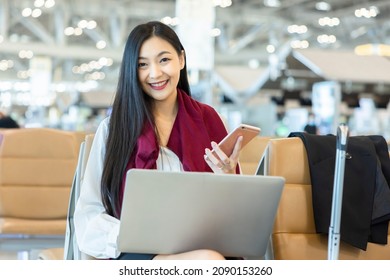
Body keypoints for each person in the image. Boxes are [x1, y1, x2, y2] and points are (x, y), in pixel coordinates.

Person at [74, 21, 243, 260]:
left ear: (181, 60)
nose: (155, 73)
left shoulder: (210, 120)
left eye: (164, 60)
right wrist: (134, 234)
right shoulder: (114, 130)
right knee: (208, 261)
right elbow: (89, 213)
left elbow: (234, 214)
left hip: (201, 241)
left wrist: (228, 179)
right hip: (135, 249)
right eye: (142, 64)